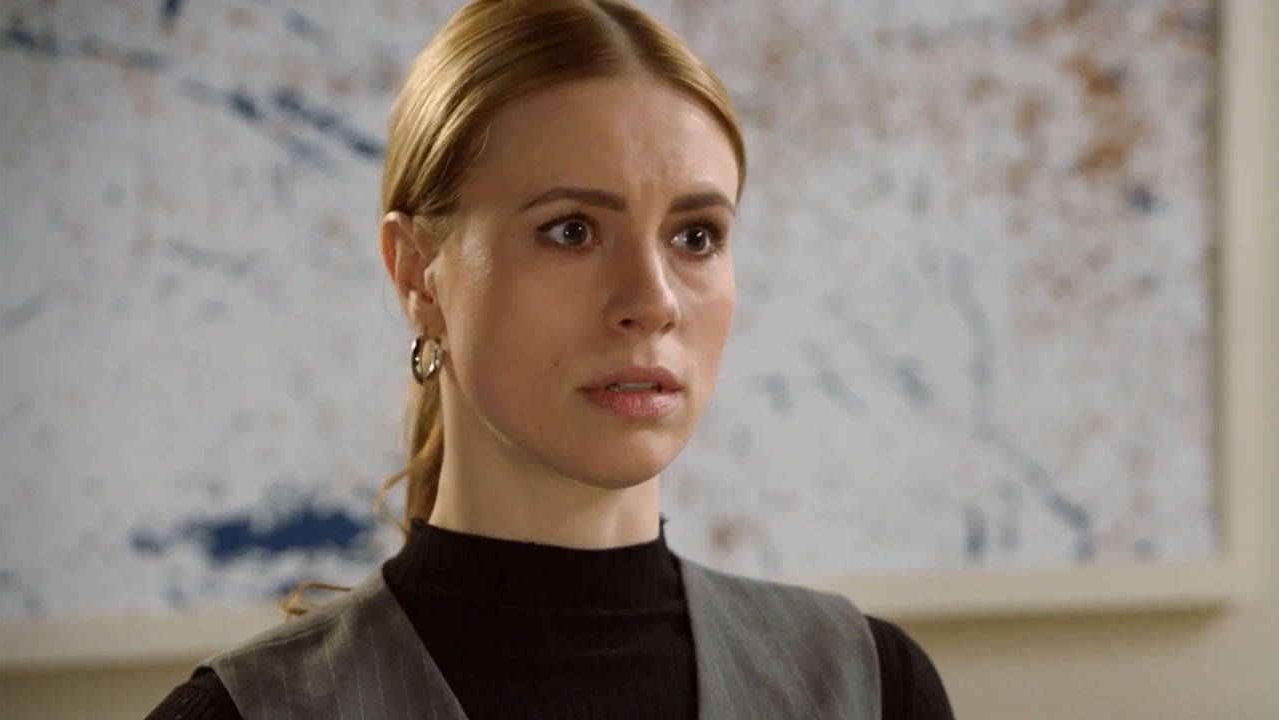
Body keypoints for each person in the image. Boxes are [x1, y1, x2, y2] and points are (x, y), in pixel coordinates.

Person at [146, 1, 953, 718]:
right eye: (571, 230)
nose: (654, 300)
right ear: (418, 274)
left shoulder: (872, 689)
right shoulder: (242, 716)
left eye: (695, 235)